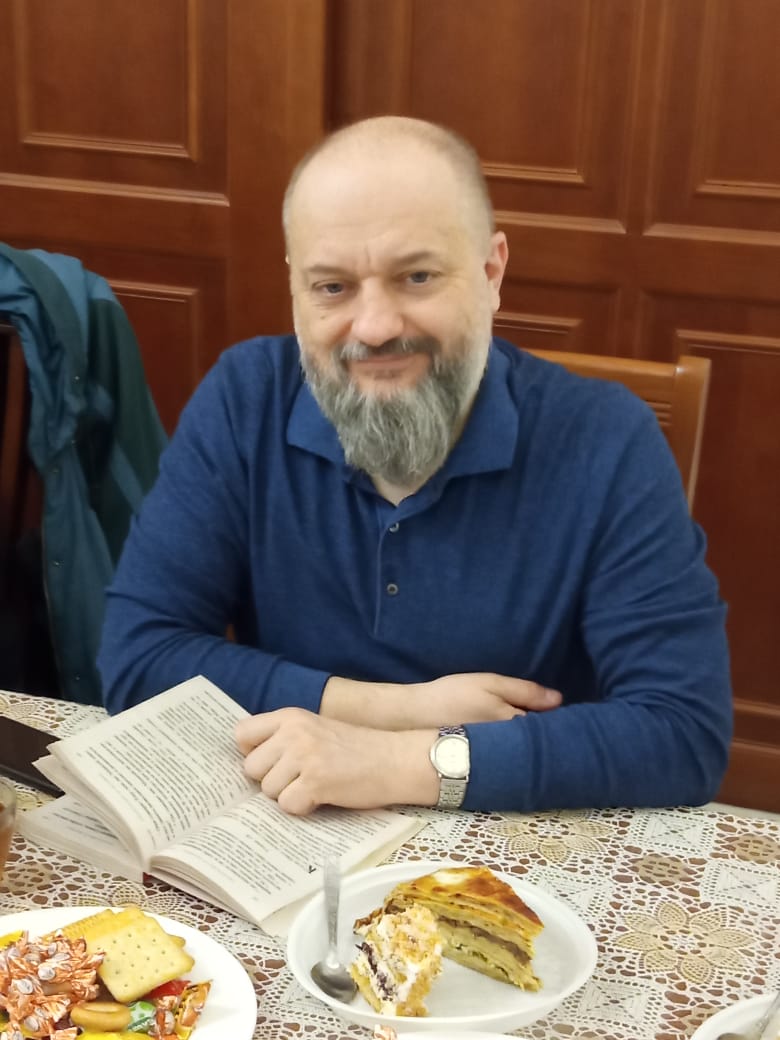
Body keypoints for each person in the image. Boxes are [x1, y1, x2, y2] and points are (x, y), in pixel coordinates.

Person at [98, 115, 732, 817]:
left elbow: (683, 733)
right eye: (332, 287)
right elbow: (138, 658)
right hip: (286, 829)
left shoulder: (608, 438)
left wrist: (402, 761)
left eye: (417, 277)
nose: (374, 327)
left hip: (507, 850)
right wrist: (396, 711)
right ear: (295, 287)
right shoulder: (244, 398)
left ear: (491, 272)